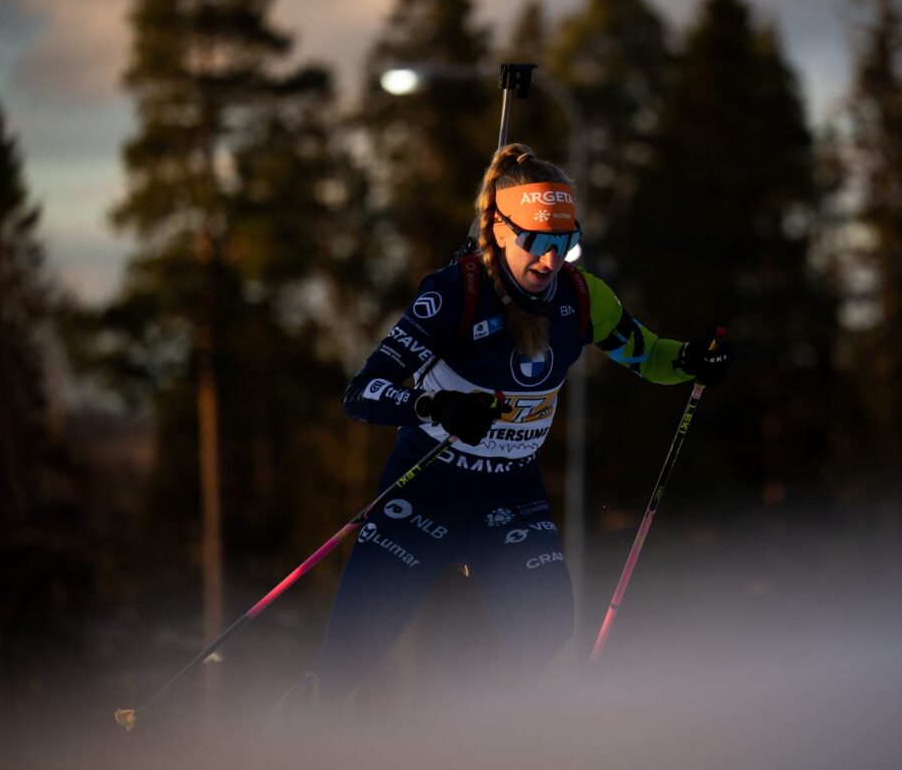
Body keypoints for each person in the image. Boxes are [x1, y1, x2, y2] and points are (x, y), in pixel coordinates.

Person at [309, 143, 730, 705]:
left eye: (564, 244)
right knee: (347, 659)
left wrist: (691, 359)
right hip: (426, 488)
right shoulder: (454, 293)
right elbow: (361, 393)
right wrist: (433, 408)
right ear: (499, 230)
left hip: (509, 494)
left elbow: (649, 356)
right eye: (534, 241)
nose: (549, 261)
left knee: (550, 636)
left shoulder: (582, 299)